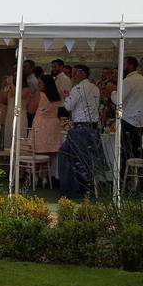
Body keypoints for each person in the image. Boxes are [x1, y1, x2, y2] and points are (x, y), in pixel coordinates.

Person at [58, 65, 104, 200]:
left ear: (82, 73)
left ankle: (70, 188)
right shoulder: (95, 88)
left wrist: (65, 96)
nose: (73, 75)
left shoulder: (77, 89)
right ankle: (84, 186)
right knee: (86, 158)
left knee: (66, 156)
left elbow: (67, 106)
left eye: (75, 73)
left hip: (80, 128)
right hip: (93, 128)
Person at [106, 56, 143, 184]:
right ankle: (140, 182)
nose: (120, 68)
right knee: (136, 152)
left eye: (122, 65)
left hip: (128, 120)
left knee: (124, 153)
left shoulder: (129, 81)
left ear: (130, 66)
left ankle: (122, 182)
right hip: (139, 121)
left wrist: (112, 91)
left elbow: (118, 99)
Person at [32, 75, 62, 182]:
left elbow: (31, 109)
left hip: (41, 123)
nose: (38, 85)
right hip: (53, 124)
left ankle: (36, 175)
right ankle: (45, 176)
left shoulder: (39, 94)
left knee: (38, 150)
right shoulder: (56, 96)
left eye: (40, 83)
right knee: (49, 151)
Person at [0, 72, 30, 152]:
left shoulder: (26, 89)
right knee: (9, 136)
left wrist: (12, 84)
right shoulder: (10, 88)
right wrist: (3, 87)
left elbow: (18, 96)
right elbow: (1, 100)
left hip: (20, 115)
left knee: (18, 134)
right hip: (10, 115)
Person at [22, 59, 39, 126]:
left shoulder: (33, 81)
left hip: (30, 109)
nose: (24, 69)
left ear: (31, 68)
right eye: (23, 67)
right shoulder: (25, 78)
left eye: (26, 67)